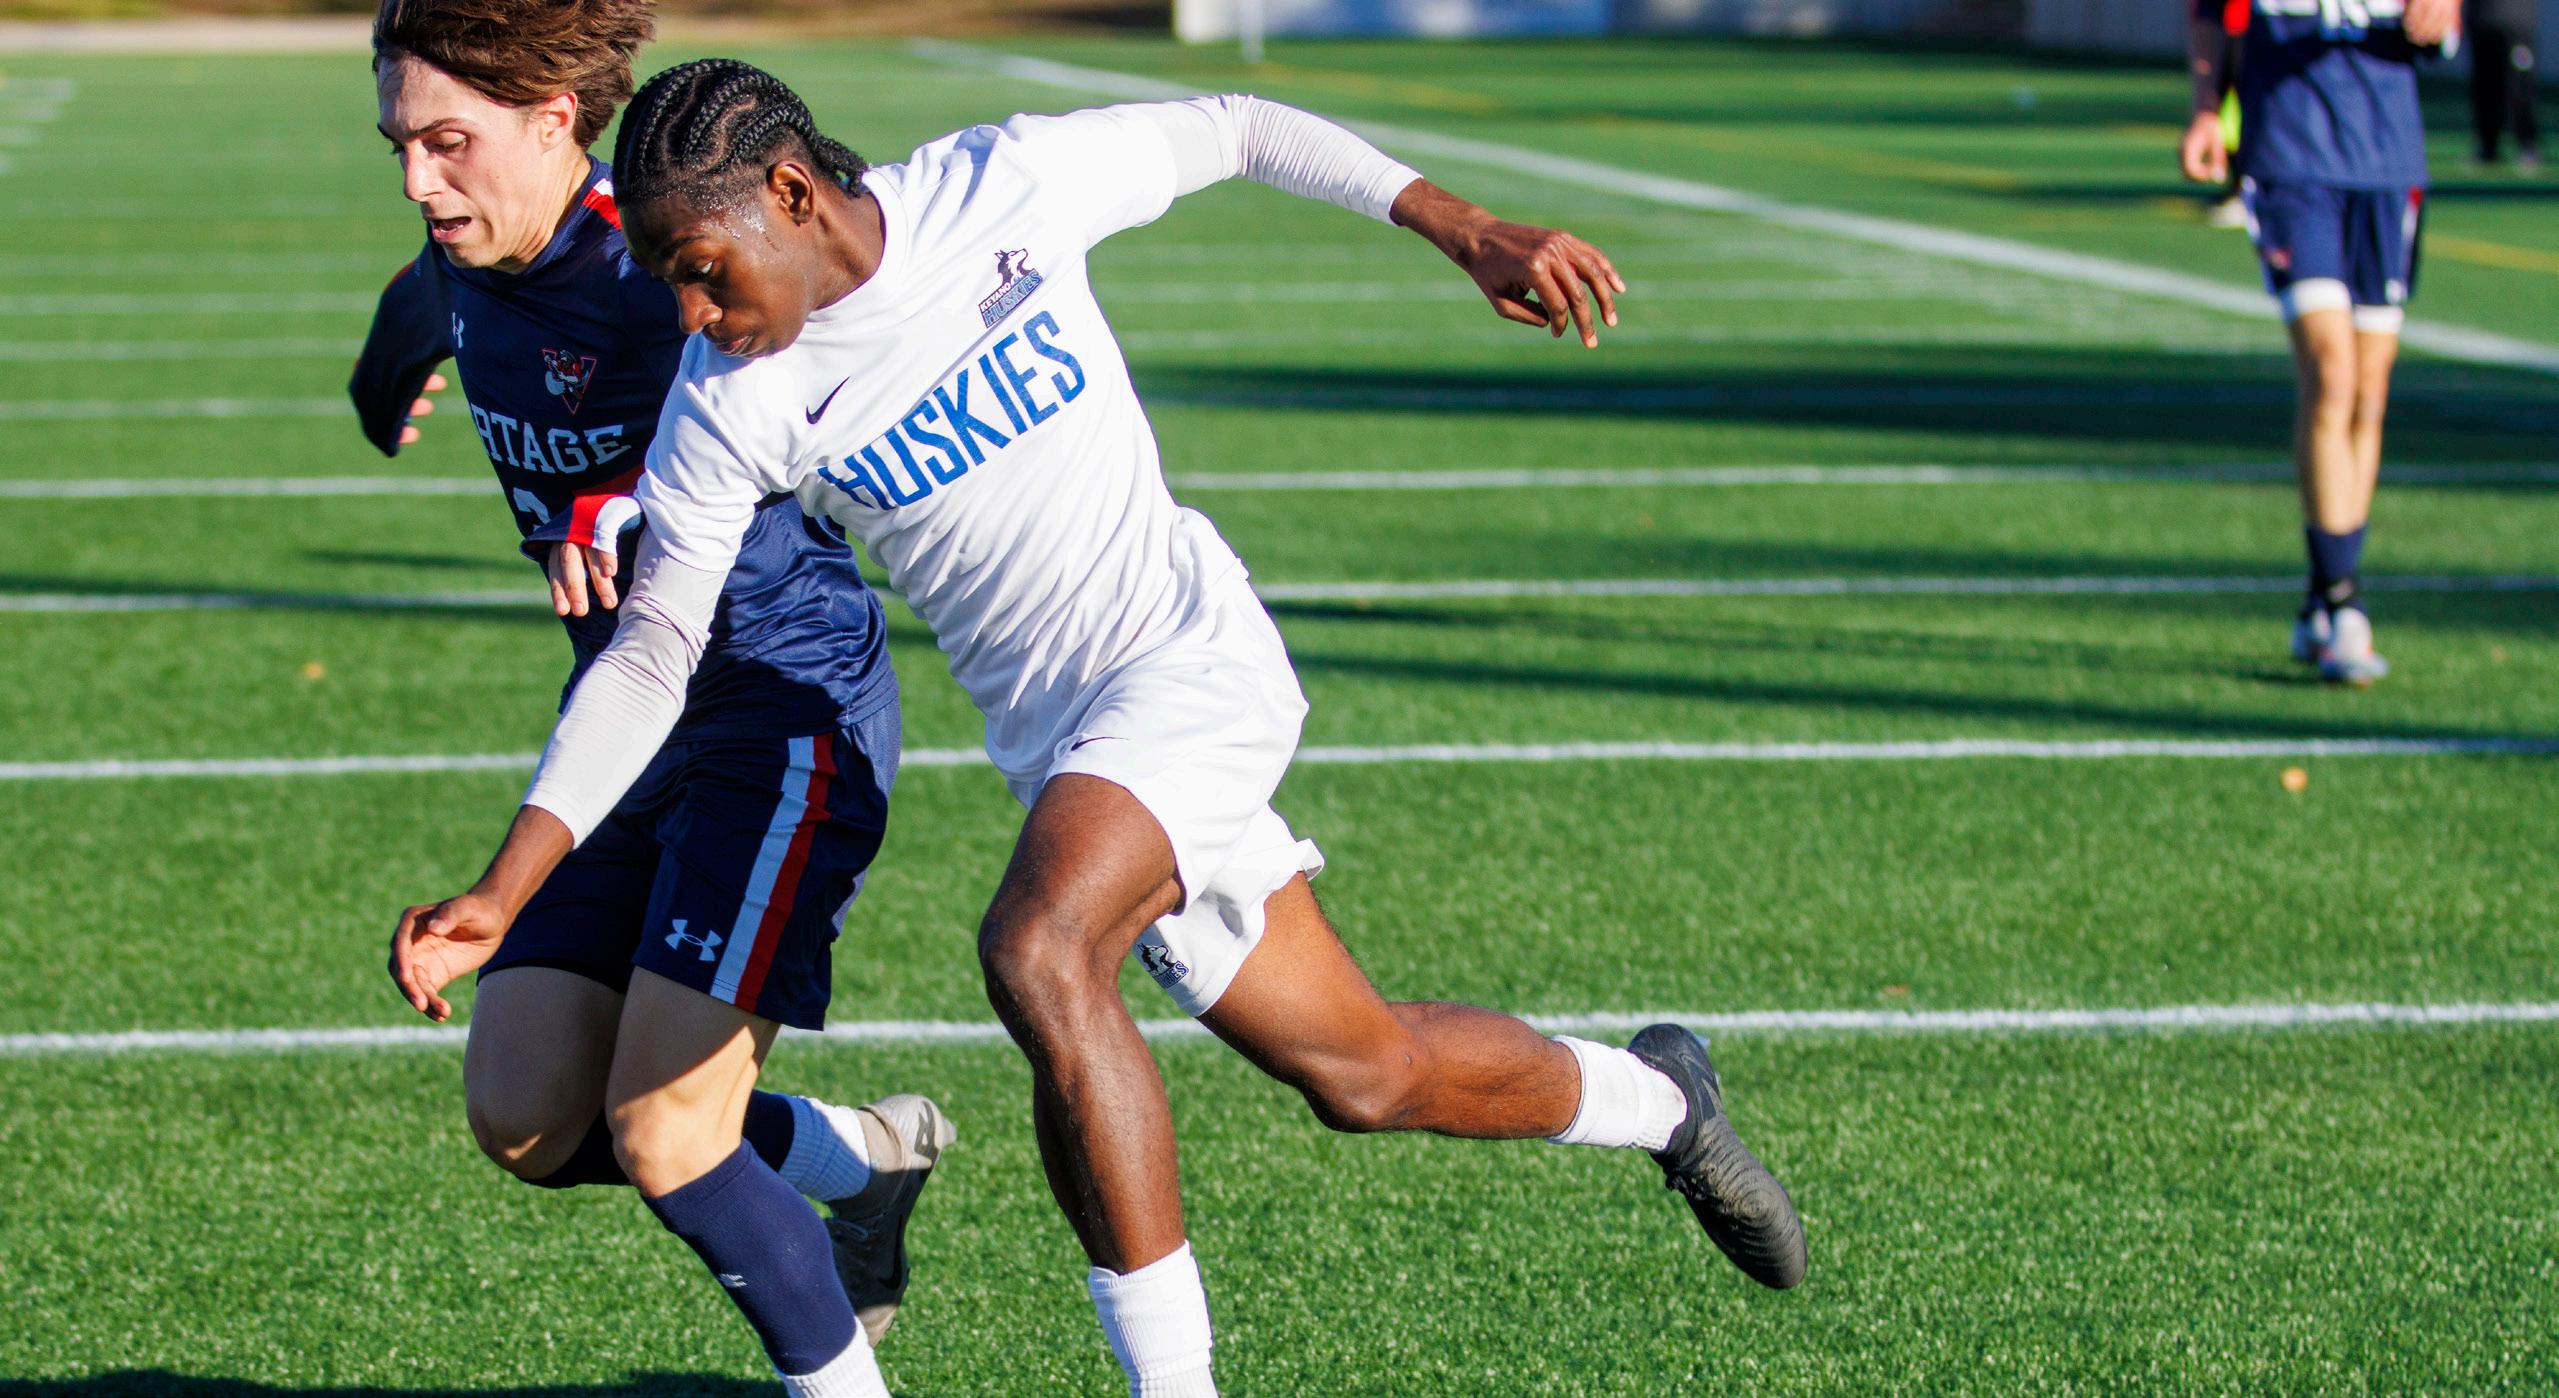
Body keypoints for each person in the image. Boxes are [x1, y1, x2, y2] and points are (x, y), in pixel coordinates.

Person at [396, 58, 1807, 1398]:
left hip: (1189, 665)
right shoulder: (726, 404)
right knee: (1363, 1071)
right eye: (667, 284)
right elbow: (651, 652)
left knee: (1038, 946)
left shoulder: (1001, 186)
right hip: (1067, 748)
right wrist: (507, 887)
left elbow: (1239, 126)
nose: (691, 313)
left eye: (703, 270)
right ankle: (1661, 1101)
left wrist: (1460, 224)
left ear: (790, 192)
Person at [354, 8, 948, 1394]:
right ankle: (859, 1161)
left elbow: (818, 376)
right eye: (400, 147)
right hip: (621, 730)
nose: (420, 181)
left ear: (555, 119)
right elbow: (413, 313)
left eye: (449, 144)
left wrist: (628, 497)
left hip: (774, 710)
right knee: (527, 1116)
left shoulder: (664, 255)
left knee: (670, 1136)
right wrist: (384, 387)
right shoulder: (461, 263)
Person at [2183, 0, 2460, 685]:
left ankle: (2322, 592)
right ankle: (2342, 601)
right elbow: (2210, 11)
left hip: (2388, 160)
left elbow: (2441, 23)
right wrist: (2205, 107)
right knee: (2331, 374)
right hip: (2290, 157)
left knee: (2368, 390)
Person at [2465, 0, 2542, 168]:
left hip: (2517, 22)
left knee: (2519, 84)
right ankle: (2487, 144)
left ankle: (2527, 143)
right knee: (2485, 85)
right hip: (2482, 19)